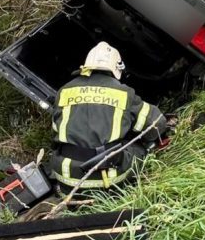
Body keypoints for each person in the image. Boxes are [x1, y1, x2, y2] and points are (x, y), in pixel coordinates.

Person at [48, 42, 169, 191]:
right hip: (106, 177)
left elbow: (55, 133)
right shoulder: (124, 93)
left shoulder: (64, 91)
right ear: (116, 68)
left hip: (66, 176)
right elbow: (155, 125)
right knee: (139, 148)